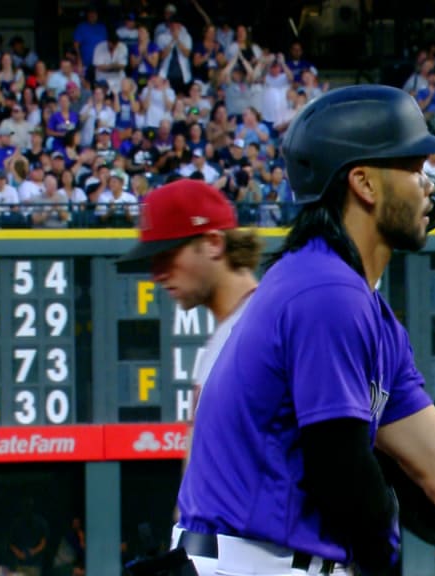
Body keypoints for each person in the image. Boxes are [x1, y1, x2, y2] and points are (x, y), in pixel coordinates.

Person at [177, 84, 435, 576]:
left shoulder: (362, 307)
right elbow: (343, 473)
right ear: (364, 184)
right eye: (413, 169)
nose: (429, 185)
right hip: (247, 563)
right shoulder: (323, 290)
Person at [116, 179, 262, 576]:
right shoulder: (222, 337)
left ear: (213, 243)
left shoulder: (267, 329)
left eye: (167, 255)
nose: (156, 274)